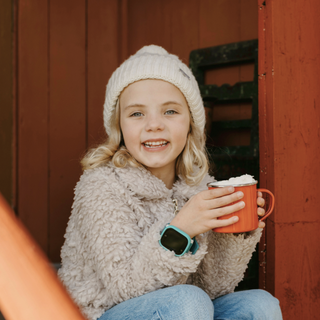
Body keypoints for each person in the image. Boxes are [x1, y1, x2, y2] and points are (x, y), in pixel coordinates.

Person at [58, 45, 282, 320]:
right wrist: (180, 230)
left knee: (259, 304)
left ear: (191, 124)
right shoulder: (100, 186)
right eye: (137, 114)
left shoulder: (198, 187)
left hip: (181, 309)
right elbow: (126, 289)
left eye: (170, 111)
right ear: (119, 127)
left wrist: (235, 234)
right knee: (187, 301)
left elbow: (212, 288)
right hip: (104, 313)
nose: (154, 125)